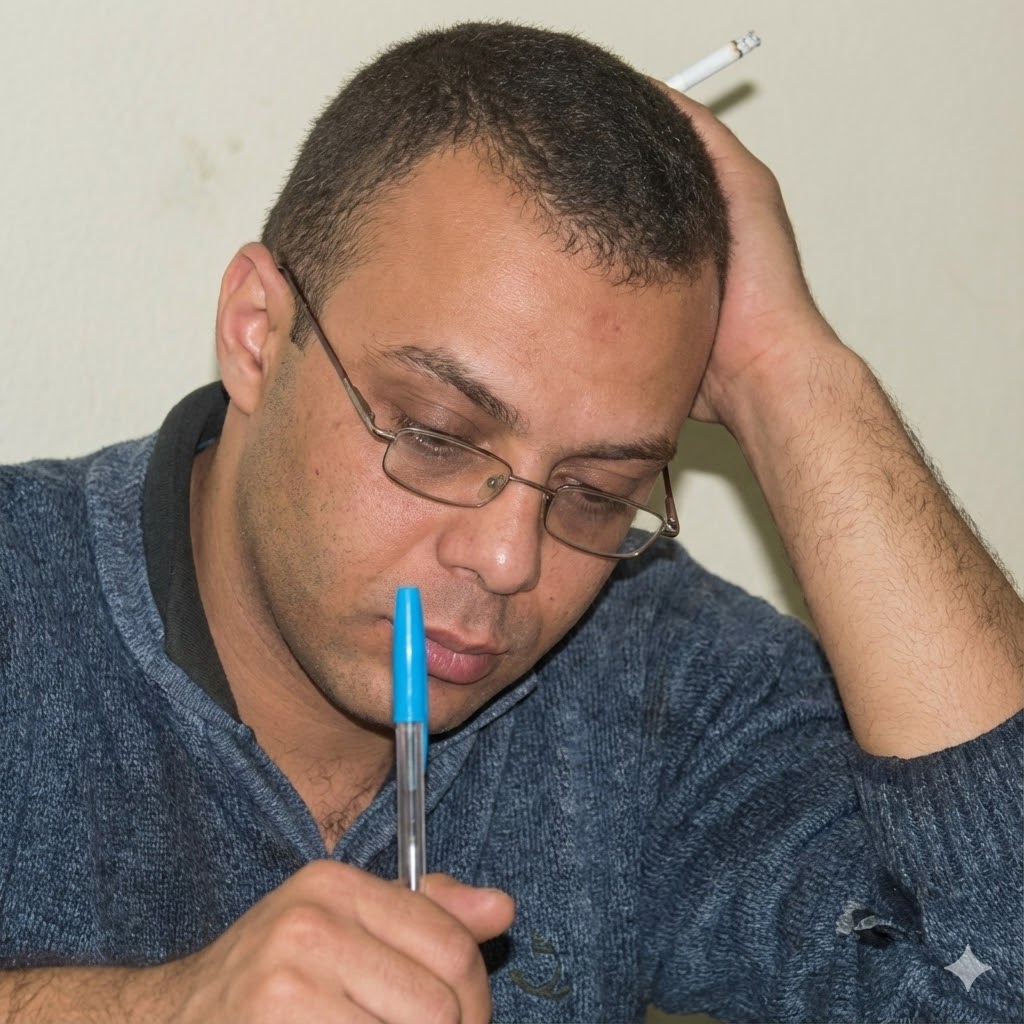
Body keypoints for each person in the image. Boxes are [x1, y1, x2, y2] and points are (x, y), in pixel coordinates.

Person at [0, 21, 1020, 1024]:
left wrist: (789, 377)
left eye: (596, 492)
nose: (506, 560)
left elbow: (996, 974)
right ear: (259, 332)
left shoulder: (655, 678)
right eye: (438, 436)